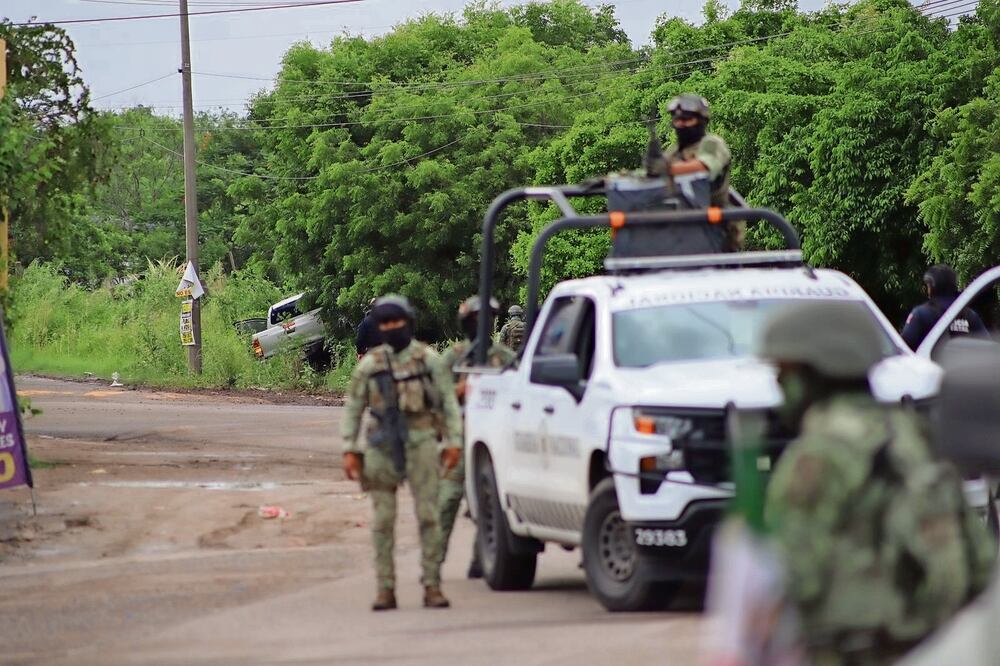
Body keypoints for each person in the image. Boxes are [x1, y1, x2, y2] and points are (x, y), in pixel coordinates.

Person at [758, 301, 994, 665]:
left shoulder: (814, 457)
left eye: (784, 373)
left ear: (815, 373)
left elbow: (789, 583)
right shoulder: (920, 439)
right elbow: (979, 565)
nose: (778, 386)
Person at [341, 294, 463, 611]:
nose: (392, 328)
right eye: (385, 323)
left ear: (408, 323)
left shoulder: (428, 360)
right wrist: (349, 449)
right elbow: (353, 407)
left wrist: (454, 442)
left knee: (429, 516)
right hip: (382, 444)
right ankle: (385, 589)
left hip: (422, 441)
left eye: (397, 322)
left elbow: (449, 402)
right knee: (382, 520)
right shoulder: (370, 365)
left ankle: (432, 586)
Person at [440, 296, 516, 579]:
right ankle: (433, 563)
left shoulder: (503, 357)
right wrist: (462, 389)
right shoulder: (455, 357)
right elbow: (436, 395)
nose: (482, 325)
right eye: (475, 320)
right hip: (459, 435)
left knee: (487, 500)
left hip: (492, 437)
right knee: (447, 500)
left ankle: (480, 558)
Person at [663, 93, 742, 251]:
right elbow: (652, 177)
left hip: (718, 228)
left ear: (701, 121)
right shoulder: (673, 152)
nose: (681, 125)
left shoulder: (712, 143)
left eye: (687, 120)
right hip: (682, 226)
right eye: (677, 120)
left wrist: (665, 170)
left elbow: (703, 167)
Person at [901, 264, 987, 350]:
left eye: (928, 285)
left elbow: (904, 348)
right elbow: (987, 346)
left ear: (931, 286)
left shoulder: (921, 314)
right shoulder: (969, 315)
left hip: (930, 363)